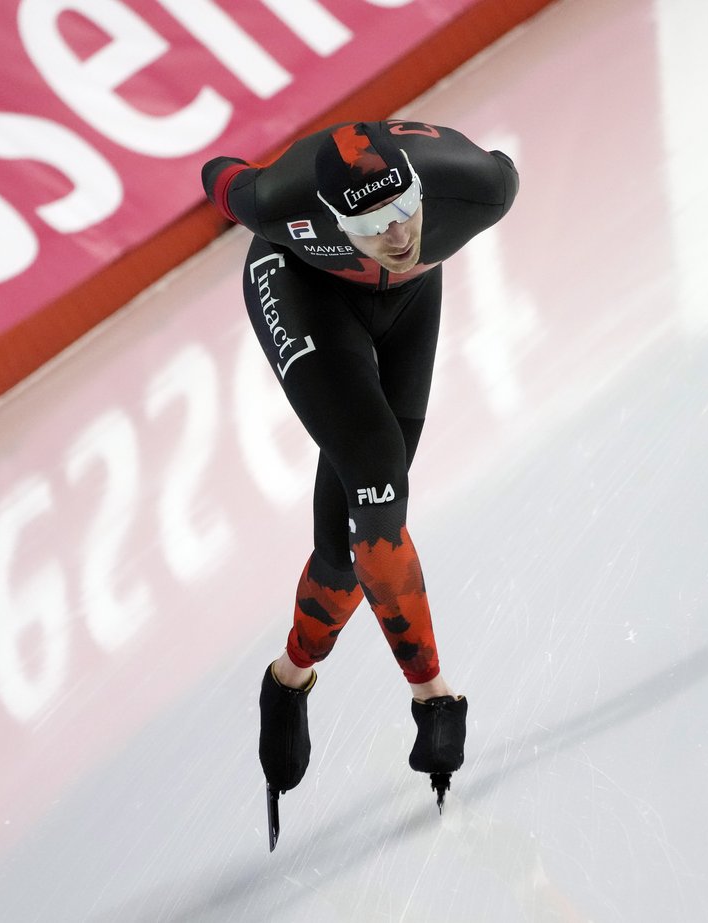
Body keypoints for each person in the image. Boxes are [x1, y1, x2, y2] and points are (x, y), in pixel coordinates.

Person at [201, 119, 519, 822]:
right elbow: (219, 176)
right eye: (375, 224)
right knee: (376, 480)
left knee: (347, 554)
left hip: (409, 305)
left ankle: (289, 675)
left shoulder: (479, 187)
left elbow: (473, 182)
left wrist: (399, 233)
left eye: (406, 209)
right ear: (335, 216)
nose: (400, 234)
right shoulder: (279, 200)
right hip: (302, 292)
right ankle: (434, 696)